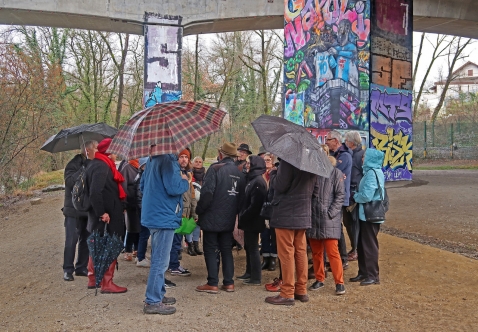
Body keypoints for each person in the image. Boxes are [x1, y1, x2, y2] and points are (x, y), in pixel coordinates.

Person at [141, 153, 189, 315]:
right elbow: (174, 188)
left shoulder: (152, 159)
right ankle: (153, 300)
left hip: (153, 215)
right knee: (160, 261)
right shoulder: (168, 160)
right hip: (164, 216)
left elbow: (142, 186)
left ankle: (158, 294)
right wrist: (185, 181)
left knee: (158, 257)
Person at [265, 159, 317, 306]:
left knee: (286, 252)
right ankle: (301, 289)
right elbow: (316, 190)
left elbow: (280, 185)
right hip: (303, 212)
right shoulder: (311, 163)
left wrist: (274, 173)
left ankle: (287, 292)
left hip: (286, 213)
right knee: (300, 251)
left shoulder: (288, 162)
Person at [195, 142, 244, 294]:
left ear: (221, 154)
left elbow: (207, 193)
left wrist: (199, 210)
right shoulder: (239, 172)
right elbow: (241, 197)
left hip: (212, 215)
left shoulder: (215, 168)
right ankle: (229, 282)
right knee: (226, 249)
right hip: (229, 216)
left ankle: (212, 283)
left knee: (210, 248)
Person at [85, 138, 127, 294]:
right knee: (109, 245)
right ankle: (106, 283)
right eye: (115, 151)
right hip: (107, 216)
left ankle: (93, 278)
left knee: (97, 244)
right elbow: (95, 192)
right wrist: (102, 212)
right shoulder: (102, 166)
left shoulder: (96, 164)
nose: (116, 155)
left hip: (100, 215)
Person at [307, 155, 346, 295]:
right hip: (314, 218)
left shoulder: (336, 173)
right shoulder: (312, 174)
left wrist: (330, 213)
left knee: (333, 252)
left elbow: (340, 195)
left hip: (328, 219)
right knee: (317, 253)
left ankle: (339, 282)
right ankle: (319, 278)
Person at [62, 140, 97, 281]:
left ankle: (81, 267)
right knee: (71, 240)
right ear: (87, 150)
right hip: (73, 209)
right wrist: (84, 168)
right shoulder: (73, 164)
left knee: (86, 239)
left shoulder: (93, 163)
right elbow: (70, 182)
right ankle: (67, 269)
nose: (97, 150)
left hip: (86, 209)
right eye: (95, 148)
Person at [350, 149, 385, 286]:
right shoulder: (372, 172)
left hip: (369, 215)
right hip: (366, 214)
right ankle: (364, 272)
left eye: (364, 157)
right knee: (362, 243)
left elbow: (366, 196)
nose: (362, 159)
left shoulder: (371, 173)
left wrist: (355, 196)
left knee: (369, 245)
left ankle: (372, 275)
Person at [237, 155, 267, 285]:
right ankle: (249, 272)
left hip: (253, 220)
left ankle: (255, 277)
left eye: (249, 163)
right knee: (249, 247)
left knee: (253, 248)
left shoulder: (258, 182)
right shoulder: (252, 179)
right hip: (249, 219)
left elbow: (255, 205)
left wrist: (244, 215)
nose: (246, 165)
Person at [325, 130, 352, 269]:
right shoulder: (334, 155)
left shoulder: (345, 156)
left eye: (328, 139)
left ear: (336, 141)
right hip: (332, 197)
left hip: (338, 198)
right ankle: (336, 258)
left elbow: (331, 174)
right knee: (334, 228)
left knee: (337, 228)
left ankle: (343, 258)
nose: (326, 141)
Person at [166, 149, 192, 277]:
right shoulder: (176, 173)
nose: (183, 159)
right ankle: (173, 265)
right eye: (181, 156)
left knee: (178, 240)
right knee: (174, 241)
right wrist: (184, 181)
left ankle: (174, 263)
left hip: (184, 212)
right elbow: (176, 191)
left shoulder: (187, 173)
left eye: (186, 157)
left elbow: (190, 196)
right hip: (176, 212)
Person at [344, 131, 365, 261]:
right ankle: (354, 248)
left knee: (355, 223)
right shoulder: (351, 154)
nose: (345, 142)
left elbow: (364, 175)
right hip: (348, 193)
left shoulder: (360, 156)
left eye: (346, 140)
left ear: (351, 142)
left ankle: (356, 250)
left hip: (354, 194)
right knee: (348, 222)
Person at [119, 158, 141, 261]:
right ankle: (127, 249)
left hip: (140, 202)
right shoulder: (127, 168)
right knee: (131, 227)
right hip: (130, 202)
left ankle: (136, 248)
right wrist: (124, 203)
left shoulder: (142, 167)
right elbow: (123, 186)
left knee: (140, 227)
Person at [260, 152, 278, 271]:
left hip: (273, 208)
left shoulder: (275, 174)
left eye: (268, 160)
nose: (266, 162)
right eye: (264, 160)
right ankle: (265, 258)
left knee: (274, 234)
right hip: (262, 208)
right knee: (264, 234)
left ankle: (273, 259)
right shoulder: (260, 174)